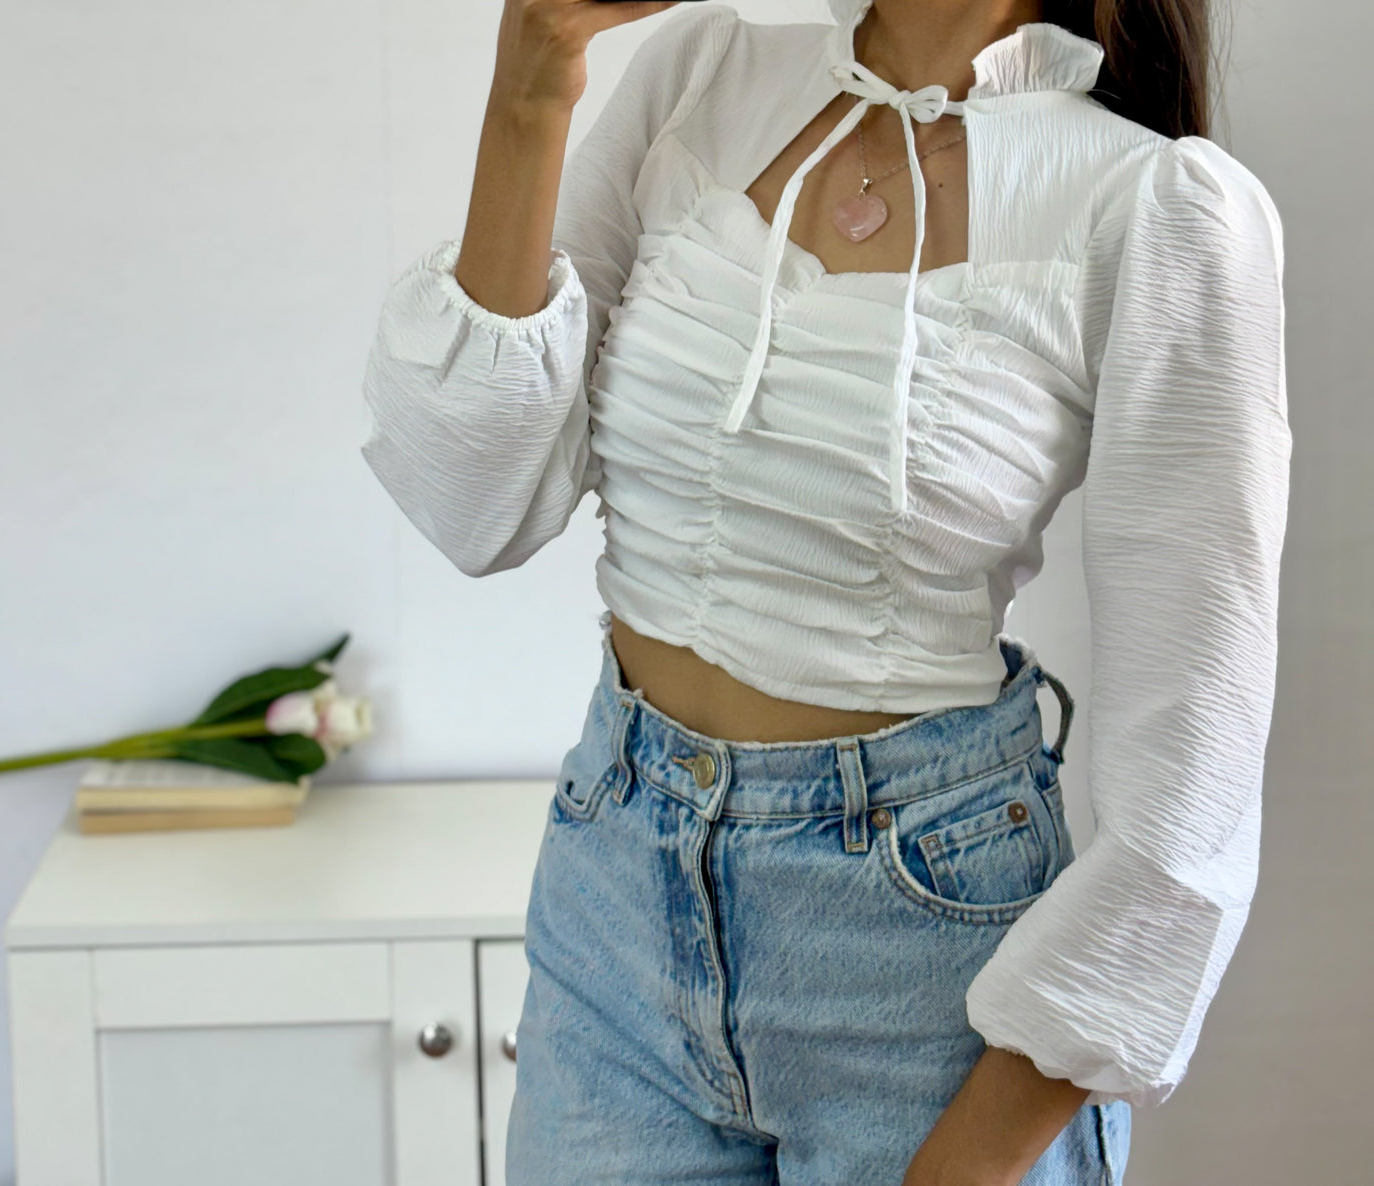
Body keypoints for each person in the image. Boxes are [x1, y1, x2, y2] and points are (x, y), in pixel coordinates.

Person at [359, 0, 1292, 1180]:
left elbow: (1191, 788)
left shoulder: (1152, 203)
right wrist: (531, 85)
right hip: (614, 900)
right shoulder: (698, 76)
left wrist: (972, 1157)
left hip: (924, 960)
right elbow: (475, 498)